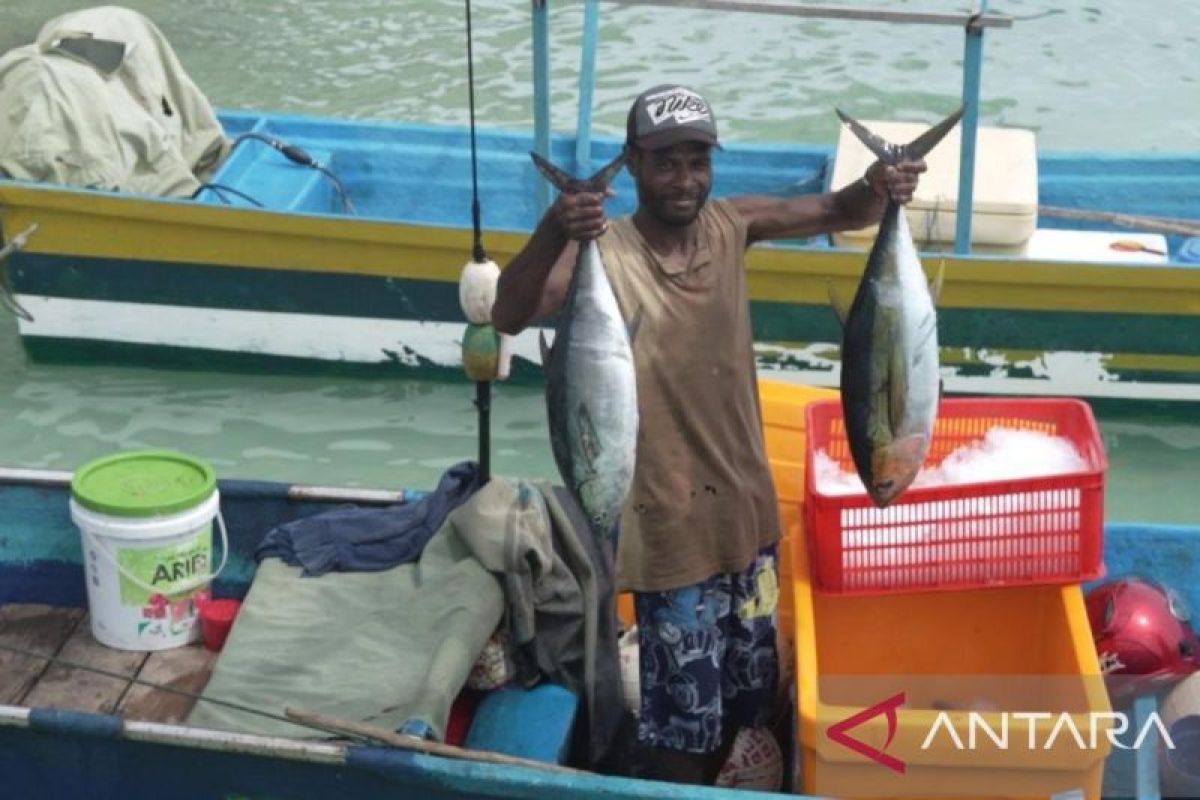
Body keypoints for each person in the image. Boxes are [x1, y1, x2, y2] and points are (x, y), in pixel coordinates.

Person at [491, 84, 927, 784]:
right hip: (668, 540)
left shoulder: (733, 225)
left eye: (698, 161)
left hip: (748, 524)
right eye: (666, 163)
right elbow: (509, 315)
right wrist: (556, 228)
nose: (685, 180)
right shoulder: (607, 250)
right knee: (683, 724)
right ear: (632, 164)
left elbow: (843, 209)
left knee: (752, 696)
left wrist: (884, 182)